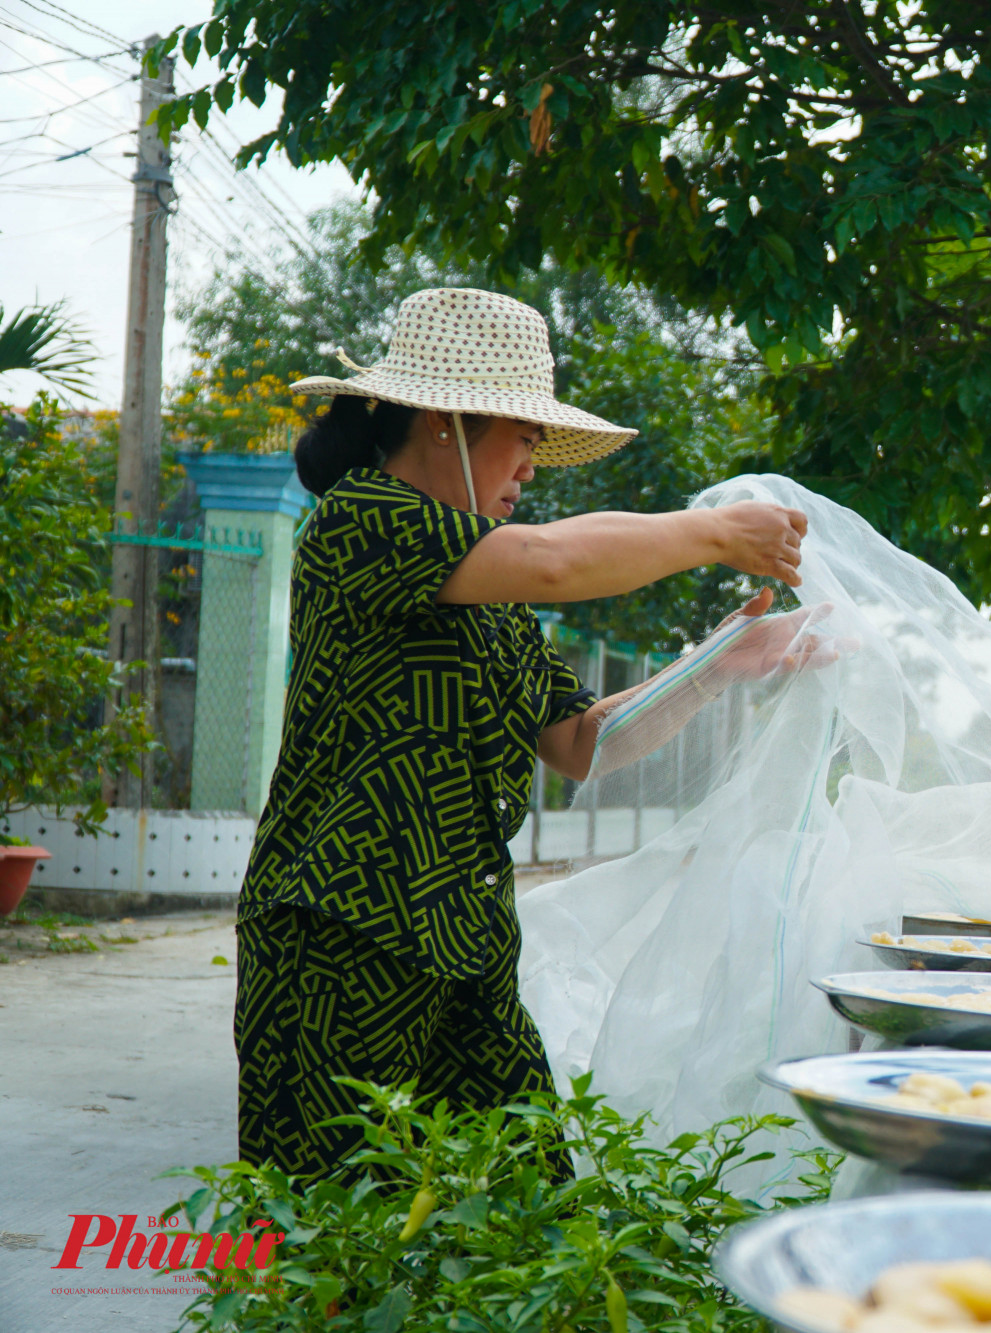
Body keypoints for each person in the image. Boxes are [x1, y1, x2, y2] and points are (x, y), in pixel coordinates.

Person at [235, 286, 809, 1180]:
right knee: (334, 1233)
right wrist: (716, 532)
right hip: (343, 934)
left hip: (465, 941)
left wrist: (723, 662)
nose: (531, 469)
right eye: (526, 439)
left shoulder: (491, 600)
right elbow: (555, 558)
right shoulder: (357, 522)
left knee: (522, 1210)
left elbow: (586, 743)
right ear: (445, 422)